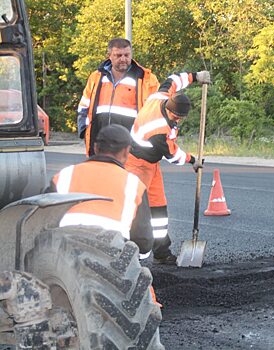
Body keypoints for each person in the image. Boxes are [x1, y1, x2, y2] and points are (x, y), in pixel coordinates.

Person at [125, 72, 210, 264]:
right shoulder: (159, 130)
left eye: (181, 118)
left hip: (151, 165)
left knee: (158, 208)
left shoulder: (161, 96)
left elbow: (173, 80)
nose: (177, 120)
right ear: (170, 111)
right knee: (133, 211)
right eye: (176, 117)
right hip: (135, 165)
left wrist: (196, 76)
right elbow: (172, 155)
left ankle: (161, 252)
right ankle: (126, 252)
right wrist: (192, 160)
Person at [48, 124, 154, 256]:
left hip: (63, 251)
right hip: (111, 254)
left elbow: (41, 221)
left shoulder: (64, 175)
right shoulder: (134, 185)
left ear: (95, 147)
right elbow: (144, 243)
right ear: (126, 152)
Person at [77, 38, 160, 157]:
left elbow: (156, 112)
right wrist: (84, 132)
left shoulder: (146, 79)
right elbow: (83, 107)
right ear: (109, 56)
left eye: (127, 55)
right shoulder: (96, 77)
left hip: (131, 148)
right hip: (100, 145)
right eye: (118, 55)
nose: (123, 59)